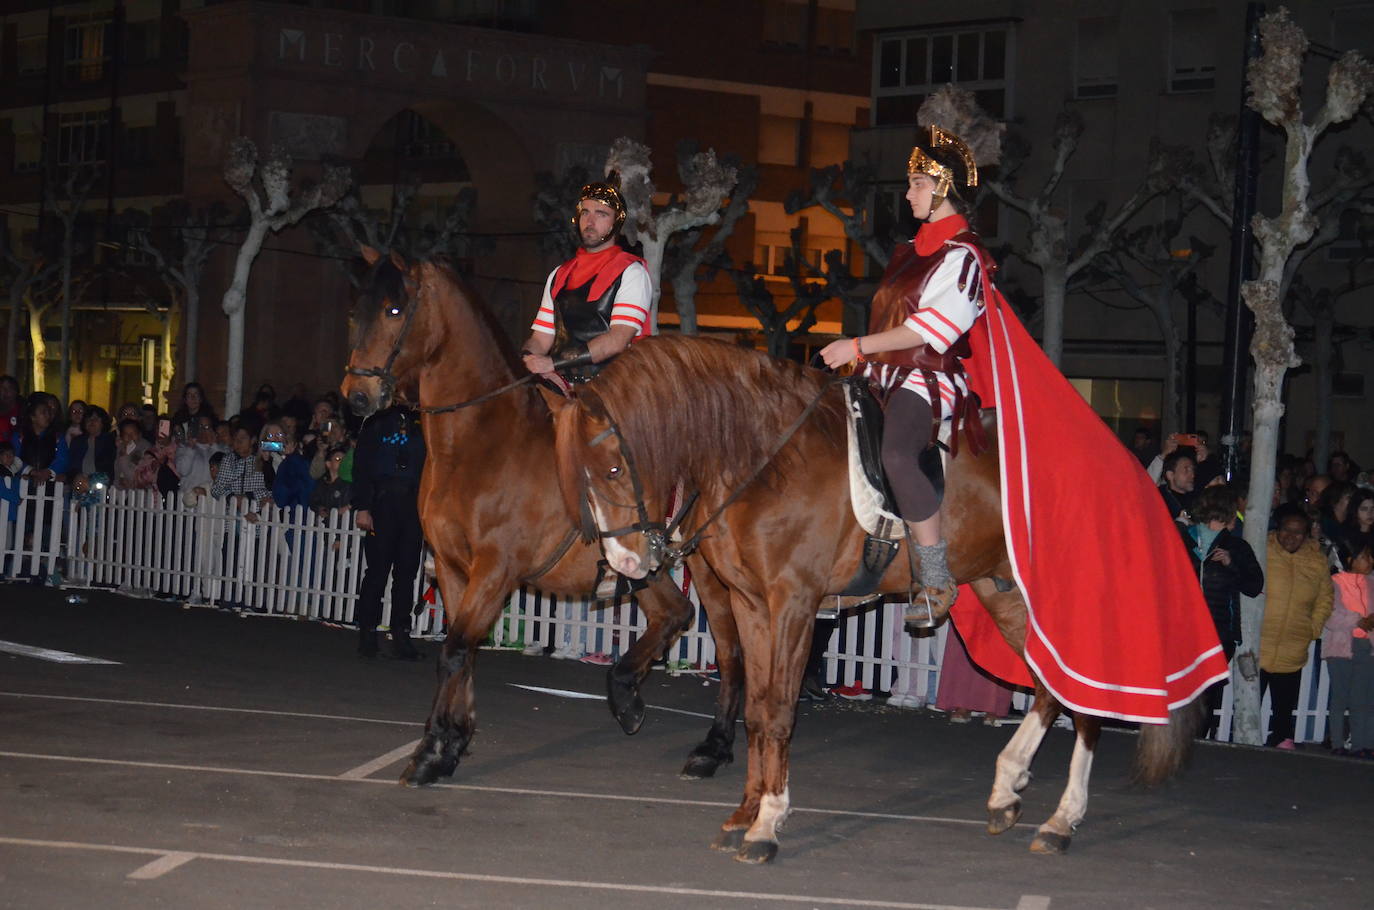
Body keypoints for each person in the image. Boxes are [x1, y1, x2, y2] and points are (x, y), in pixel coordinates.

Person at [817, 125, 992, 617]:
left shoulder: (963, 258)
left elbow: (925, 333)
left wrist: (857, 344)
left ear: (944, 189)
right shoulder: (911, 254)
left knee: (895, 453)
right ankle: (849, 563)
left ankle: (935, 580)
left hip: (927, 379)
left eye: (918, 182)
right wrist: (865, 357)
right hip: (881, 377)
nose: (909, 192)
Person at [520, 176, 653, 386]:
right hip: (559, 381)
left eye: (601, 214)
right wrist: (527, 360)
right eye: (585, 212)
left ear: (616, 222)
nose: (590, 222)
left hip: (615, 388)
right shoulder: (559, 275)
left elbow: (618, 340)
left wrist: (551, 363)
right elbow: (541, 338)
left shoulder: (632, 272)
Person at [1180, 485, 1264, 738]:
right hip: (1185, 629)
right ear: (1228, 514)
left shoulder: (1236, 547)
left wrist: (1231, 564)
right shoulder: (1183, 538)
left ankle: (1198, 739)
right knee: (1186, 688)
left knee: (1208, 689)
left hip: (1219, 631)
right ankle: (1180, 738)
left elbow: (1254, 586)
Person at [352, 405, 426, 660]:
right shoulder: (377, 422)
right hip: (383, 502)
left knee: (406, 573)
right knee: (377, 571)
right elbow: (362, 466)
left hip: (413, 504)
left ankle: (401, 633)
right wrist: (363, 506)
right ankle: (367, 632)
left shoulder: (424, 421)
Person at [1260, 505, 1334, 748]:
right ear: (1277, 529)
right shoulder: (1262, 549)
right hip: (1259, 642)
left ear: (1307, 533)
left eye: (1298, 532)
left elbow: (1325, 598)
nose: (1291, 536)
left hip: (1294, 643)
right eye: (1286, 530)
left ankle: (1280, 741)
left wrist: (1312, 628)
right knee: (1247, 702)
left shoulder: (1316, 560)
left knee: (1284, 705)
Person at [1322, 539, 1374, 757]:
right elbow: (1331, 616)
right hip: (1341, 645)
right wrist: (1358, 620)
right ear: (1351, 560)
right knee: (1340, 696)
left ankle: (1363, 744)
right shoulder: (1335, 582)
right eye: (1365, 557)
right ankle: (1337, 742)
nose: (1370, 561)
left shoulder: (1371, 583)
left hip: (1366, 645)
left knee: (1363, 697)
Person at [65, 407, 116, 485]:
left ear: (103, 422)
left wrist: (91, 480)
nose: (92, 422)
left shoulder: (110, 441)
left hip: (100, 484)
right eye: (88, 419)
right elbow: (71, 466)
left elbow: (108, 467)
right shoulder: (77, 442)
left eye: (96, 419)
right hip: (79, 483)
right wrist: (76, 477)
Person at [308, 445, 353, 517]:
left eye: (345, 459)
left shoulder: (349, 483)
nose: (342, 462)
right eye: (338, 459)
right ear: (328, 464)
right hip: (324, 524)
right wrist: (319, 508)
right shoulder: (322, 482)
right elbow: (314, 501)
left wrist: (348, 507)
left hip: (343, 524)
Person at [1158, 449, 1196, 524]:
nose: (1192, 475)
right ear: (1170, 475)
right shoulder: (1159, 501)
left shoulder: (1197, 499)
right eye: (1186, 470)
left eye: (1193, 470)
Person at [112, 419, 151, 490]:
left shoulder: (145, 448)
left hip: (140, 494)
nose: (130, 436)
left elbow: (135, 475)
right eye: (126, 434)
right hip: (121, 493)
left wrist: (124, 456)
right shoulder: (121, 447)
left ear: (139, 434)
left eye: (133, 433)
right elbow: (117, 471)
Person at [1340, 488, 1374, 559]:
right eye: (1364, 509)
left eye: (1373, 508)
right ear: (1355, 510)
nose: (1370, 513)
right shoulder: (1346, 531)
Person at [0, 375, 21, 447]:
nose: (5, 392)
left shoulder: (23, 411)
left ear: (16, 391)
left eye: (9, 388)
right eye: (2, 388)